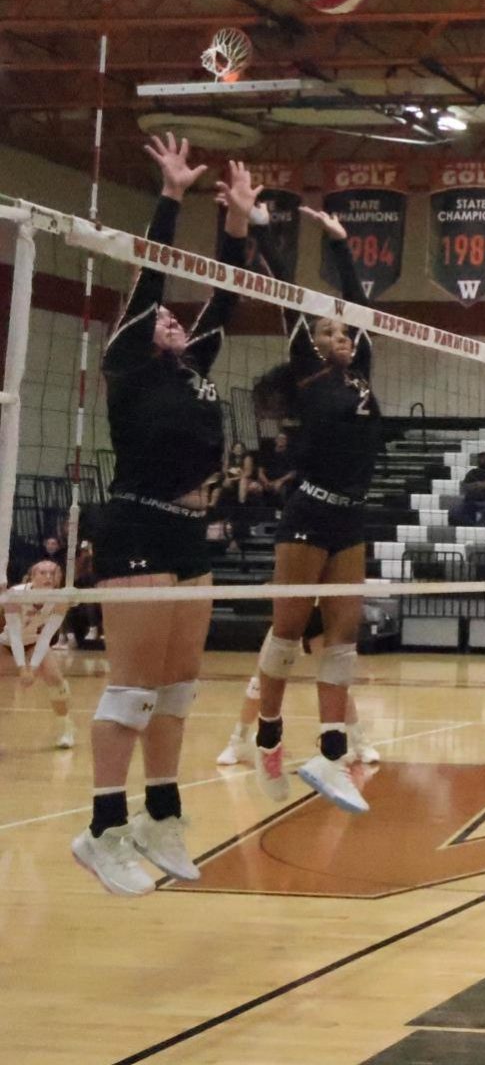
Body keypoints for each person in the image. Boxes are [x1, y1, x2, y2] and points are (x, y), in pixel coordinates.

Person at [72, 137, 260, 897]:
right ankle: (103, 829)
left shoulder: (194, 369)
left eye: (180, 324)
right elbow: (150, 281)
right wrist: (173, 197)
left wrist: (240, 224)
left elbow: (228, 294)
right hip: (135, 525)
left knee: (180, 689)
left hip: (189, 534)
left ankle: (161, 814)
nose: (176, 323)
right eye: (164, 322)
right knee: (133, 689)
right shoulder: (125, 362)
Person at [249, 203, 381, 815]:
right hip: (308, 512)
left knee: (343, 638)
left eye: (347, 333)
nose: (343, 338)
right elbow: (282, 296)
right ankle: (268, 733)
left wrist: (341, 245)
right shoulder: (308, 375)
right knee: (286, 631)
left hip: (351, 515)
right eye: (332, 332)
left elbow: (359, 304)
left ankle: (332, 756)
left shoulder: (364, 374)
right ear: (315, 342)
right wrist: (257, 230)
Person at [216, 607, 379, 767]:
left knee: (336, 683)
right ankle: (236, 743)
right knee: (259, 684)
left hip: (318, 618)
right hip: (289, 616)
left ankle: (360, 743)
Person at [2, 559, 75, 748]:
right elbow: (15, 634)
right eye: (42, 573)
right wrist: (22, 668)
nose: (48, 577)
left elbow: (47, 636)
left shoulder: (60, 600)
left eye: (53, 573)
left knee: (56, 680)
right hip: (7, 642)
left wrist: (33, 668)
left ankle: (66, 729)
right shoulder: (15, 595)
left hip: (35, 642)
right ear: (32, 576)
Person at [450, 451, 485, 527]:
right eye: (481, 458)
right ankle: (469, 525)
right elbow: (465, 486)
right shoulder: (472, 472)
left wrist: (478, 485)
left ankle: (479, 526)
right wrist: (481, 484)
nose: (483, 460)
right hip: (470, 500)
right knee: (454, 511)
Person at [259, 430, 297, 505]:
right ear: (275, 440)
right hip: (267, 480)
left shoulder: (291, 454)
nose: (281, 440)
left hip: (284, 482)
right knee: (256, 488)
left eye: (284, 439)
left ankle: (281, 512)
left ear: (286, 441)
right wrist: (266, 482)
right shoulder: (268, 453)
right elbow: (260, 472)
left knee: (280, 490)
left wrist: (280, 481)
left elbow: (293, 473)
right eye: (279, 438)